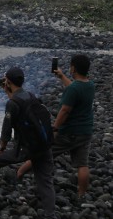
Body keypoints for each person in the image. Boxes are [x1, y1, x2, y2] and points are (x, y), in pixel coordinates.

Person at [0, 67, 58, 219]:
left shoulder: (12, 104)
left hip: (27, 149)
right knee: (45, 181)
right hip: (44, 145)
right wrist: (8, 93)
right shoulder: (31, 96)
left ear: (9, 82)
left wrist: (1, 148)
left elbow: (6, 130)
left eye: (5, 81)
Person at [16, 54, 95, 200]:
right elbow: (75, 88)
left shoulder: (73, 90)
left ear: (73, 68)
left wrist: (55, 129)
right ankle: (82, 195)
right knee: (82, 164)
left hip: (68, 132)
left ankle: (19, 173)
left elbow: (65, 111)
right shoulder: (89, 85)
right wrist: (61, 76)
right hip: (85, 131)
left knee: (43, 152)